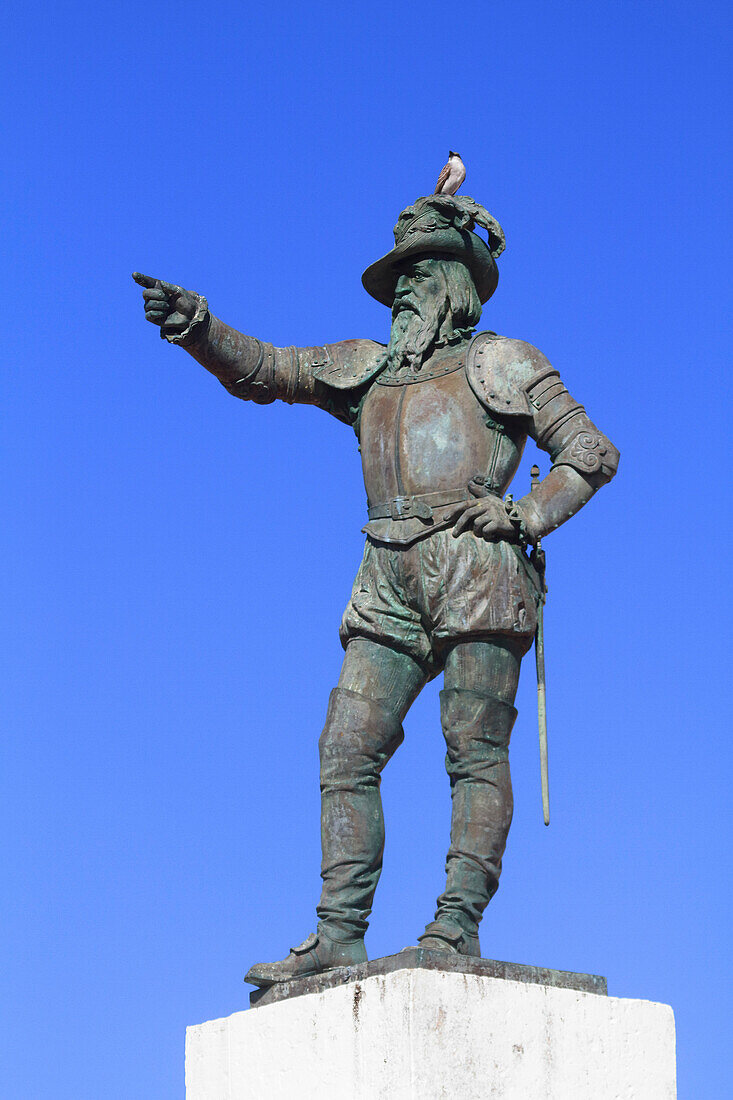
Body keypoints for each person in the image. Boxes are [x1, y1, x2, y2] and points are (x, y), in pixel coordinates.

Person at [134, 192, 619, 987]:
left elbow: (590, 453)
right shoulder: (367, 369)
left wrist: (525, 514)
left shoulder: (506, 362)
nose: (400, 287)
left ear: (457, 282)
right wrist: (199, 328)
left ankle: (454, 925)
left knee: (471, 752)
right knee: (345, 747)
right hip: (386, 574)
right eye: (395, 274)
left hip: (477, 569)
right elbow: (266, 369)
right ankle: (337, 933)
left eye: (417, 272)